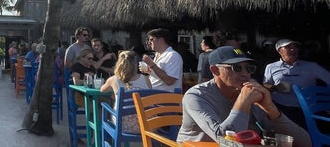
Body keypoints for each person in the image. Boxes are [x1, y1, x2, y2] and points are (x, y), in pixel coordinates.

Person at [177, 46, 311, 146]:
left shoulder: (251, 93)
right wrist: (243, 102)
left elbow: (305, 142)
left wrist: (271, 110)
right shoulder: (196, 96)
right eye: (236, 68)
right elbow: (225, 141)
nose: (245, 74)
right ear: (215, 70)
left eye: (249, 68)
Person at [263, 39, 330, 130]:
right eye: (288, 47)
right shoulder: (271, 67)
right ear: (279, 50)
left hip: (307, 110)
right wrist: (276, 88)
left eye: (295, 47)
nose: (293, 49)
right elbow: (265, 84)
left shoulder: (311, 66)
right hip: (282, 109)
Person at [100, 50, 152, 133]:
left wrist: (114, 92)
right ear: (135, 64)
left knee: (105, 106)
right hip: (147, 125)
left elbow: (102, 90)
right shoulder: (145, 79)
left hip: (123, 126)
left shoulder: (113, 80)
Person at [139, 28, 183, 92]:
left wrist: (152, 65)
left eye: (151, 40)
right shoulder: (157, 55)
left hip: (167, 97)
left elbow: (170, 81)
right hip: (155, 94)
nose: (149, 43)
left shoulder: (173, 56)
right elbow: (160, 75)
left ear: (161, 40)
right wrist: (149, 71)